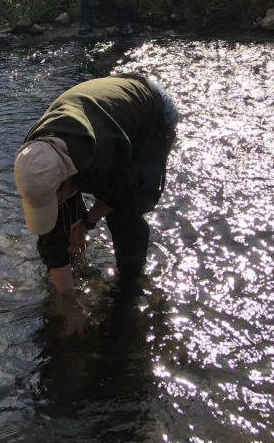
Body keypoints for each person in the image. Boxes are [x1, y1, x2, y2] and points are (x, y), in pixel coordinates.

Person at [14, 74, 179, 336]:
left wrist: (88, 219)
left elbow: (125, 192)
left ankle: (131, 282)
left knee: (126, 215)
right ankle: (76, 239)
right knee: (63, 211)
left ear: (67, 180)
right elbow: (49, 232)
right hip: (100, 119)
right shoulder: (32, 156)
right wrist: (70, 304)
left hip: (152, 111)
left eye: (62, 192)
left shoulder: (102, 159)